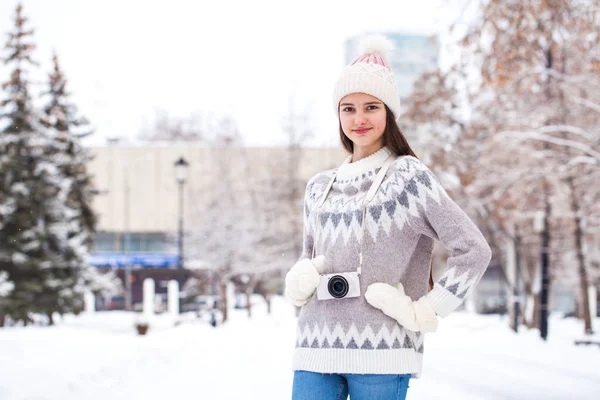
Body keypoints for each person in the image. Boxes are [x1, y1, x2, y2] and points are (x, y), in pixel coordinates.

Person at [284, 35, 492, 400]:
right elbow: (309, 255)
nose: (359, 118)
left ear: (388, 113)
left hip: (382, 353)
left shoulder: (408, 178)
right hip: (314, 346)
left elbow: (474, 250)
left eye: (371, 107)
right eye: (348, 108)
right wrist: (297, 280)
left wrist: (425, 310)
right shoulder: (318, 187)